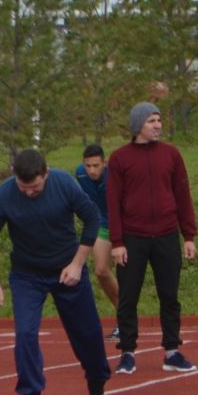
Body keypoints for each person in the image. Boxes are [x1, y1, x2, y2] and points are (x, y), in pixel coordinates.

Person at [0, 148, 120, 395]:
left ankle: (97, 394)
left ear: (46, 173)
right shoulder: (5, 194)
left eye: (35, 187)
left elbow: (92, 219)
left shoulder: (64, 183)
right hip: (27, 275)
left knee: (89, 333)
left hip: (68, 268)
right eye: (23, 187)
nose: (29, 192)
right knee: (26, 334)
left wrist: (78, 264)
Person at [106, 102, 198, 374]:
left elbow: (183, 195)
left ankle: (172, 351)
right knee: (128, 297)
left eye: (159, 120)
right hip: (133, 238)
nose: (157, 125)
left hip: (167, 235)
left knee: (169, 295)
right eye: (151, 121)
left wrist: (188, 235)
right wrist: (117, 242)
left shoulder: (171, 155)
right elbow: (113, 202)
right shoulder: (120, 158)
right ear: (138, 126)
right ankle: (128, 352)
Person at [73, 143, 122, 335]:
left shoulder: (115, 175)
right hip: (102, 224)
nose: (91, 170)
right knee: (101, 271)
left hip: (124, 224)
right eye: (88, 165)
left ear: (105, 163)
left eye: (96, 165)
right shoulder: (80, 174)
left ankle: (125, 318)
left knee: (126, 274)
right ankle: (123, 313)